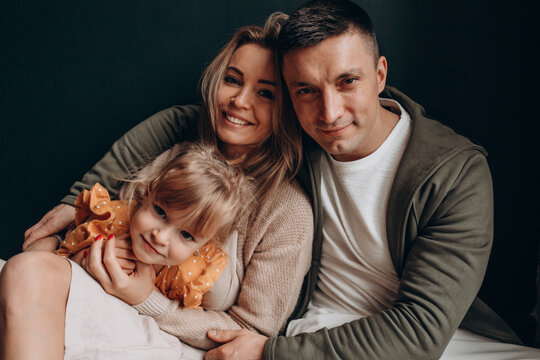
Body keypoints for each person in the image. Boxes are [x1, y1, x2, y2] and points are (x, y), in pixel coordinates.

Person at [201, 1, 540, 359]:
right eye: (306, 90)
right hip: (315, 332)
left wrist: (270, 354)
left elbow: (420, 330)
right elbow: (192, 117)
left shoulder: (455, 175)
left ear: (380, 75)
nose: (330, 113)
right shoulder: (295, 136)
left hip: (441, 342)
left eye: (347, 82)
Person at [1, 11, 313, 360]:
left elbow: (248, 337)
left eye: (266, 94)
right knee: (26, 265)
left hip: (184, 343)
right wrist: (85, 254)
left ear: (288, 109)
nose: (239, 101)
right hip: (112, 302)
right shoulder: (180, 157)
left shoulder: (287, 211)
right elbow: (118, 222)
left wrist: (145, 299)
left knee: (29, 273)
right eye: (232, 80)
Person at [57, 142, 255, 309]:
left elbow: (178, 317)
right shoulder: (110, 221)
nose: (160, 237)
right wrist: (80, 261)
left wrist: (146, 296)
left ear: (204, 245)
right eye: (160, 212)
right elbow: (58, 257)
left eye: (186, 235)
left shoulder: (186, 275)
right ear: (146, 194)